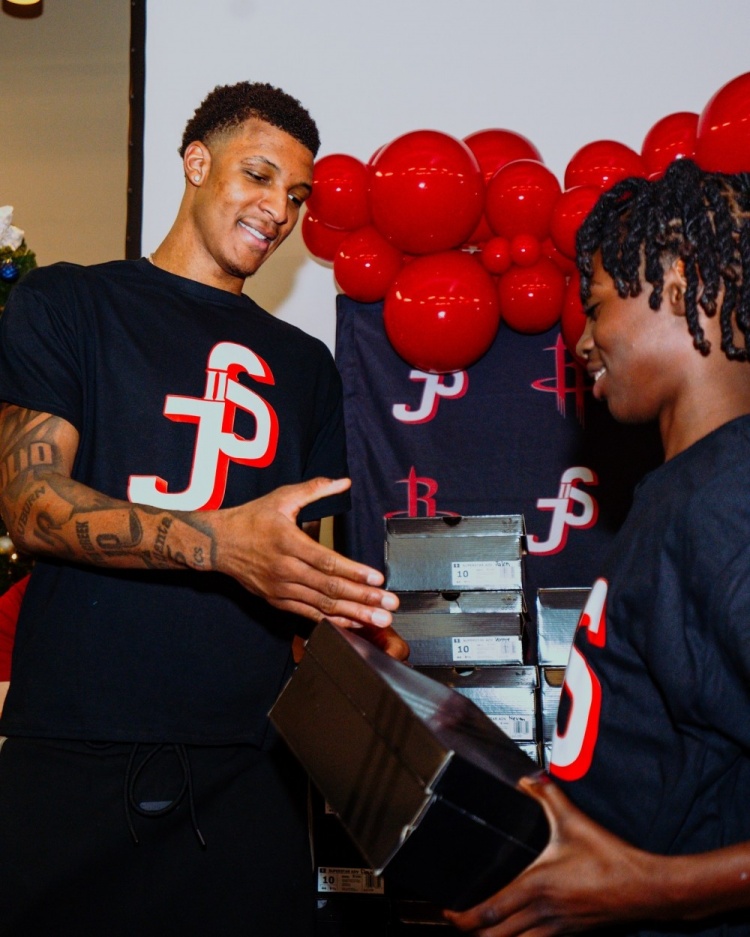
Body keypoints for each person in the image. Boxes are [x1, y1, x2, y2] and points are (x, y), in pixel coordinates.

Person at [0, 81, 404, 937]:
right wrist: (217, 543)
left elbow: (303, 574)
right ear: (195, 162)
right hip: (75, 745)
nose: (278, 210)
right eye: (258, 176)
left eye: (297, 195)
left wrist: (355, 634)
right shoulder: (70, 304)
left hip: (247, 769)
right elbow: (29, 503)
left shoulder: (307, 366)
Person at [445, 158, 750, 937]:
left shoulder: (729, 501)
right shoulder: (685, 491)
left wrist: (655, 889)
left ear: (679, 285)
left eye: (596, 306)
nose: (581, 341)